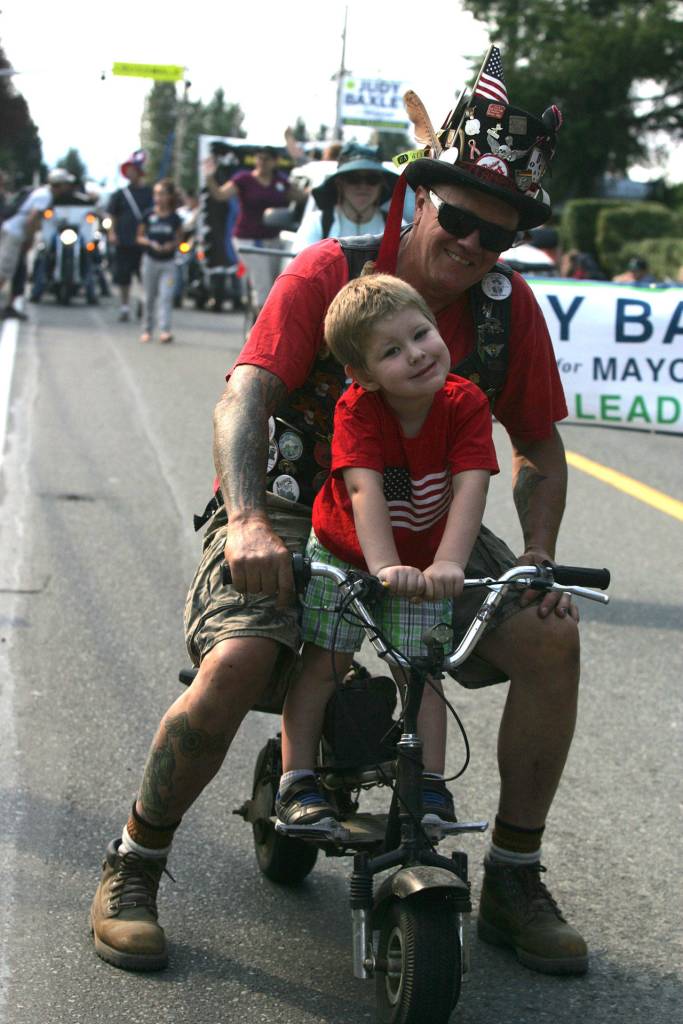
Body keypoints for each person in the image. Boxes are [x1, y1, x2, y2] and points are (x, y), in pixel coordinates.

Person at [91, 46, 588, 980]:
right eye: (465, 220)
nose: (478, 245)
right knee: (241, 659)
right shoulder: (331, 269)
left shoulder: (501, 310)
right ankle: (134, 861)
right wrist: (244, 520)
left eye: (501, 235)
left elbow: (540, 450)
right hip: (290, 502)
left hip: (421, 514)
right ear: (423, 195)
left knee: (550, 638)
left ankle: (514, 879)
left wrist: (540, 558)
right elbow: (243, 397)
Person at [275, 274, 498, 832]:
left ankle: (427, 786)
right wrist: (380, 567)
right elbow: (361, 490)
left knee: (419, 669)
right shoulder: (358, 409)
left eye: (422, 334)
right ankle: (296, 779)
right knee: (327, 663)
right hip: (349, 551)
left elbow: (472, 483)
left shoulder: (464, 401)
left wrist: (448, 562)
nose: (418, 355)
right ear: (362, 375)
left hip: (421, 558)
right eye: (392, 352)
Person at [202, 145, 303, 318]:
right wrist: (210, 178)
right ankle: (261, 331)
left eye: (266, 159)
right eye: (259, 158)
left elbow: (302, 197)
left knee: (275, 286)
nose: (262, 162)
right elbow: (220, 194)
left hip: (273, 240)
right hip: (248, 240)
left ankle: (258, 321)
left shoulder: (281, 182)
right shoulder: (244, 179)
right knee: (263, 286)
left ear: (275, 162)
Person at [290, 142, 398, 255]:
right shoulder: (317, 223)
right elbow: (301, 269)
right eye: (353, 178)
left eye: (372, 179)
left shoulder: (397, 227)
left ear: (382, 184)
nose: (363, 186)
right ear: (339, 184)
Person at [0, 168, 76, 319]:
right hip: (14, 233)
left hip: (15, 232)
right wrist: (29, 240)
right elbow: (32, 219)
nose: (67, 187)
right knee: (5, 270)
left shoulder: (43, 193)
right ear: (59, 184)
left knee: (18, 271)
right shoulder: (45, 196)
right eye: (65, 184)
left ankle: (10, 306)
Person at [107, 150, 153, 322]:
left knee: (143, 277)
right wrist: (111, 232)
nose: (130, 173)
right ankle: (125, 307)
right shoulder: (120, 194)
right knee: (123, 276)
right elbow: (112, 215)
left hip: (143, 242)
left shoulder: (149, 193)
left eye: (132, 169)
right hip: (124, 240)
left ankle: (143, 303)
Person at [136, 178, 183, 344]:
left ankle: (165, 330)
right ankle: (147, 329)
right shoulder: (149, 215)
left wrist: (171, 245)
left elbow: (179, 238)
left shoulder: (175, 218)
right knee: (148, 297)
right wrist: (150, 243)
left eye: (162, 194)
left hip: (168, 263)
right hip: (150, 260)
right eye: (156, 194)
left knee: (166, 296)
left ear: (169, 196)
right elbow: (139, 237)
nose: (158, 197)